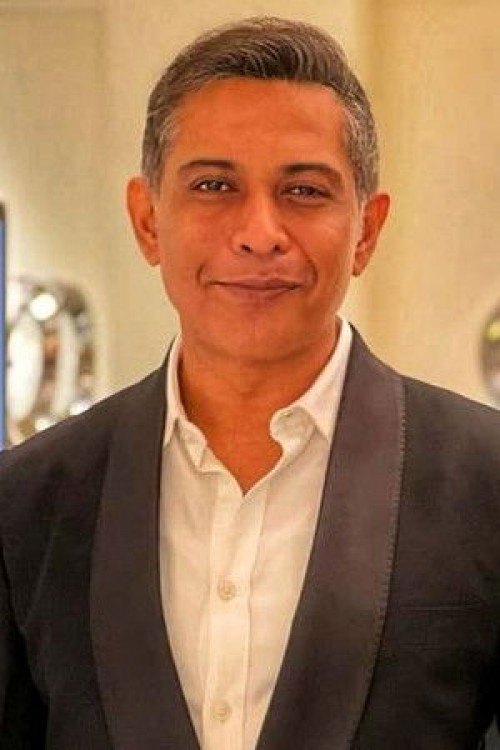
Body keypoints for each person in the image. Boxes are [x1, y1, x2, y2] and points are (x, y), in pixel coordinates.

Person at [0, 16, 499, 750]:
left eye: (304, 190)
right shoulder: (28, 500)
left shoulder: (485, 479)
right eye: (214, 185)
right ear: (148, 219)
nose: (260, 231)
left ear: (365, 230)